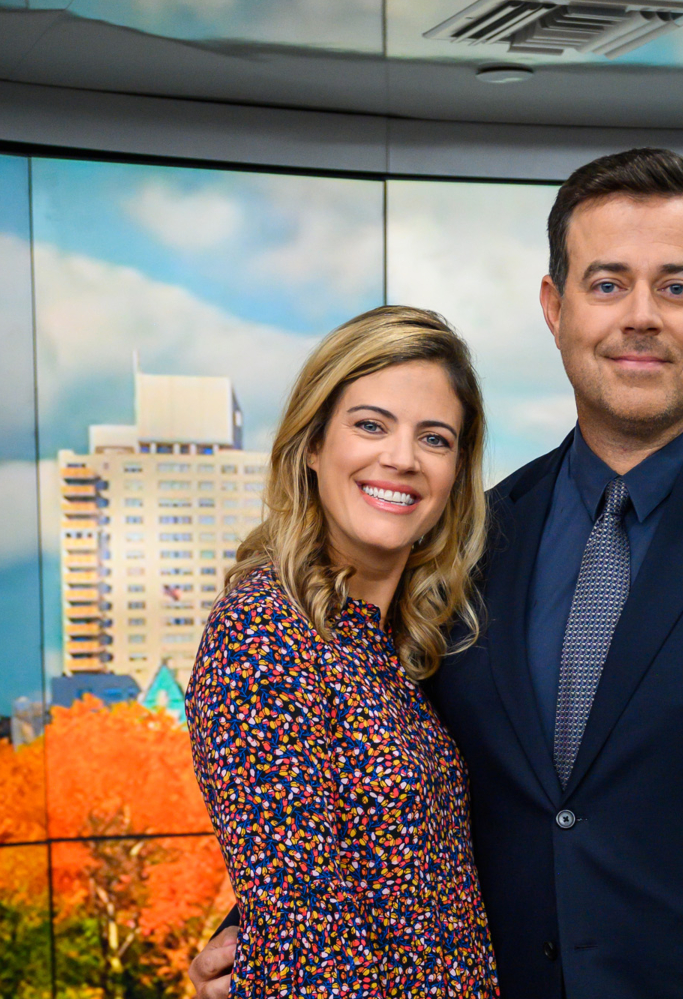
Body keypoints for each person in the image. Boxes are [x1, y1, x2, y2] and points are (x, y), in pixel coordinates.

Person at [193, 148, 683, 998]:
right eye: (608, 283)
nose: (641, 316)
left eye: (677, 285)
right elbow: (380, 781)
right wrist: (262, 926)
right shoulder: (470, 540)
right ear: (555, 305)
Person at [184, 306, 498, 997]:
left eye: (435, 438)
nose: (402, 458)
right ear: (314, 445)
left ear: (454, 478)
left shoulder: (396, 648)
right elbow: (308, 944)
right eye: (370, 424)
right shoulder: (264, 630)